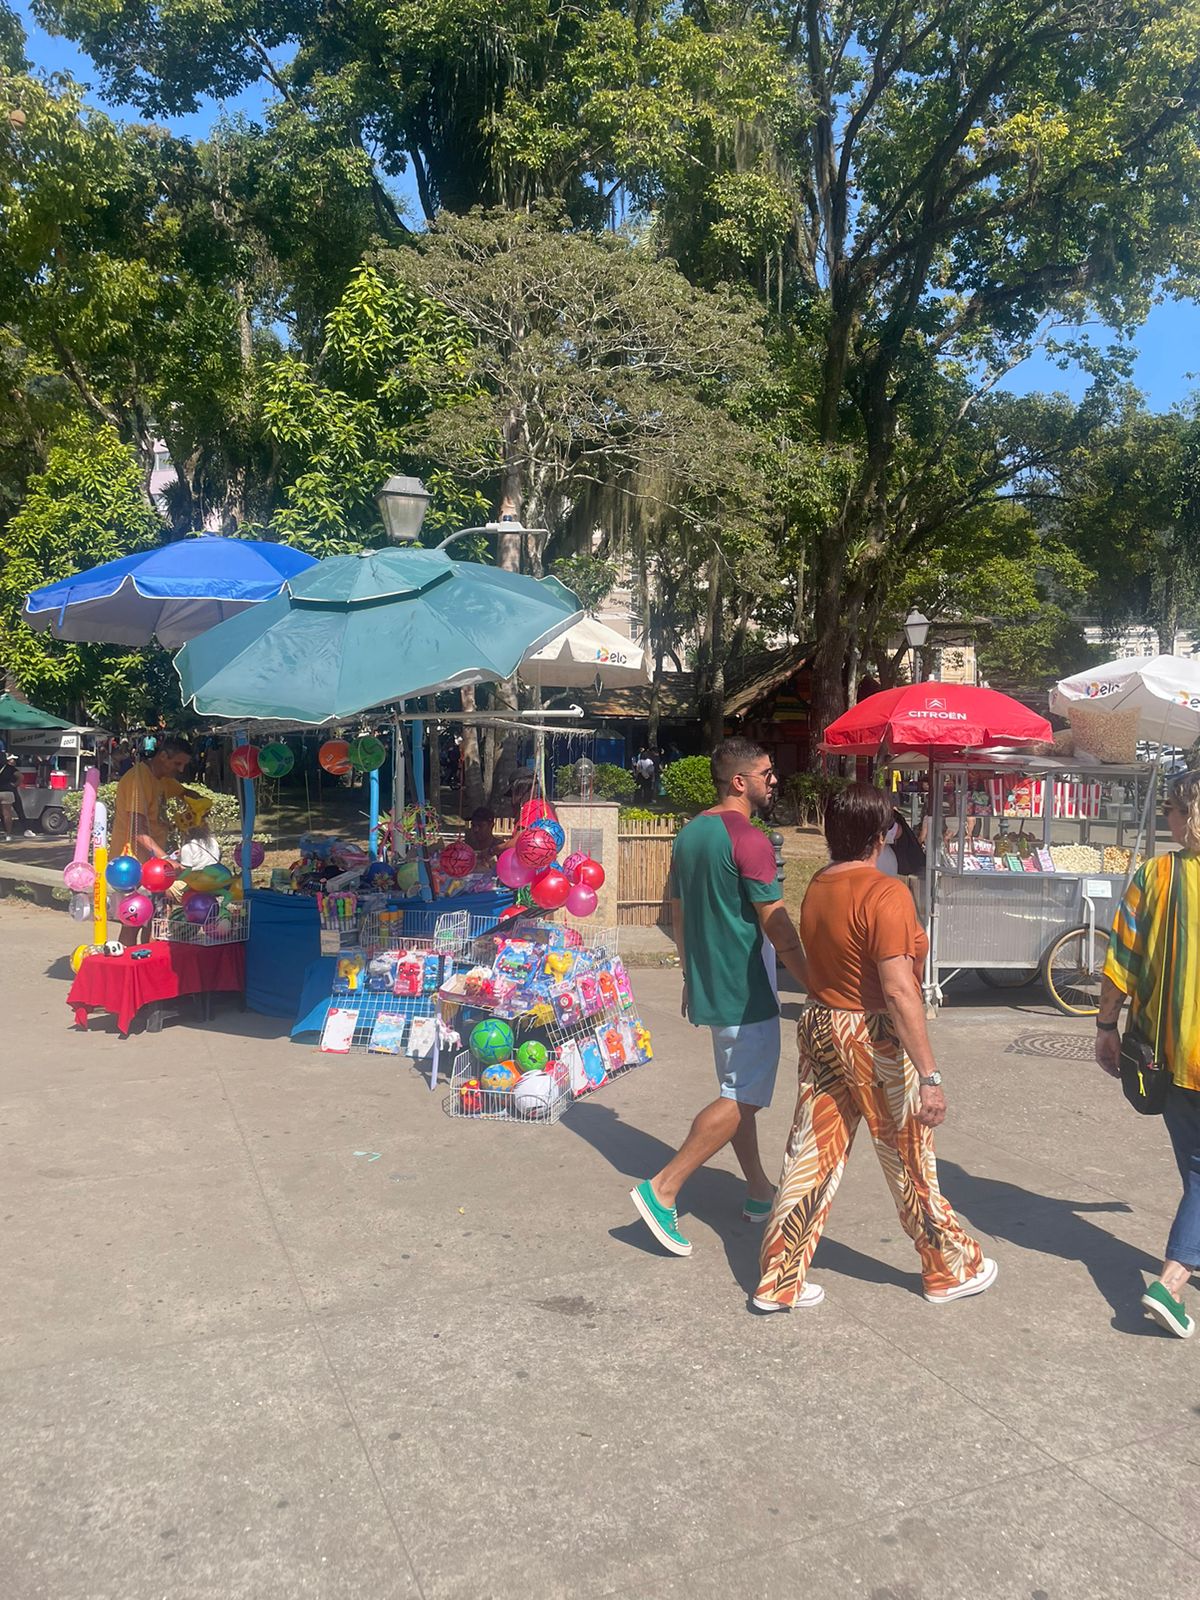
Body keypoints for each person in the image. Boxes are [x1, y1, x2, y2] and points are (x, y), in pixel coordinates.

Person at [753, 782, 995, 1312]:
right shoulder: (888, 894)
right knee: (908, 1155)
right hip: (872, 1033)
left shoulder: (820, 884)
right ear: (880, 833)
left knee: (811, 1151)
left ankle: (779, 1276)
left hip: (820, 1021)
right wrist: (930, 1074)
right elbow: (899, 988)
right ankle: (948, 1266)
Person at [629, 738, 810, 1257]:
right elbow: (778, 925)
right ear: (739, 782)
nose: (773, 780)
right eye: (766, 772)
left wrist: (691, 976)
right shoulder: (748, 838)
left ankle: (757, 1191)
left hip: (712, 981)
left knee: (739, 1091)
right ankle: (663, 1188)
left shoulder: (690, 833)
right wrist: (817, 988)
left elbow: (678, 911)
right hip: (745, 986)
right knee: (742, 1097)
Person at [1096, 769, 1200, 1339]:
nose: (1166, 819)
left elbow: (1123, 963)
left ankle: (1179, 1268)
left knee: (1196, 1169)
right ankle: (1170, 1282)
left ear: (1188, 817)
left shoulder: (1155, 877)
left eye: (1171, 810)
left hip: (1169, 1054)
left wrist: (1106, 1025)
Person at [112, 736, 197, 863]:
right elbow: (138, 831)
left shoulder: (164, 779)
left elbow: (185, 793)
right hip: (130, 864)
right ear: (163, 756)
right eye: (177, 764)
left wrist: (202, 804)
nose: (181, 769)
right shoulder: (137, 779)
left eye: (184, 765)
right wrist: (165, 858)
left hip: (151, 861)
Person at [0, 748, 36, 840]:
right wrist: (15, 785)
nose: (14, 761)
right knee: (10, 813)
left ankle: (5, 831)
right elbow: (21, 776)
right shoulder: (10, 768)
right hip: (9, 791)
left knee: (4, 814)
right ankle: (9, 834)